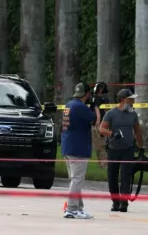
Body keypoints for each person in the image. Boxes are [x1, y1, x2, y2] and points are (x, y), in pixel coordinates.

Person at [99, 88, 143, 212]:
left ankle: (124, 203)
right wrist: (112, 134)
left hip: (128, 149)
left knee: (126, 176)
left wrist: (141, 147)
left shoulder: (133, 114)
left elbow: (138, 131)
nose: (133, 101)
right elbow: (102, 129)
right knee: (112, 176)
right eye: (131, 99)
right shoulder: (111, 113)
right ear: (123, 100)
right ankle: (115, 201)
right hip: (113, 149)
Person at [61, 82, 96, 219]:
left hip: (68, 146)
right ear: (87, 94)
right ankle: (71, 208)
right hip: (78, 148)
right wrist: (96, 107)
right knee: (77, 180)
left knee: (75, 179)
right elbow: (94, 119)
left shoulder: (70, 105)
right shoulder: (80, 107)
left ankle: (78, 208)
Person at [89, 82, 110, 169]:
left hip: (99, 125)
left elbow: (103, 111)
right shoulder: (94, 98)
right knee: (98, 146)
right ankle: (101, 164)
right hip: (96, 125)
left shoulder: (103, 98)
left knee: (101, 146)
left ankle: (104, 164)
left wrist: (99, 123)